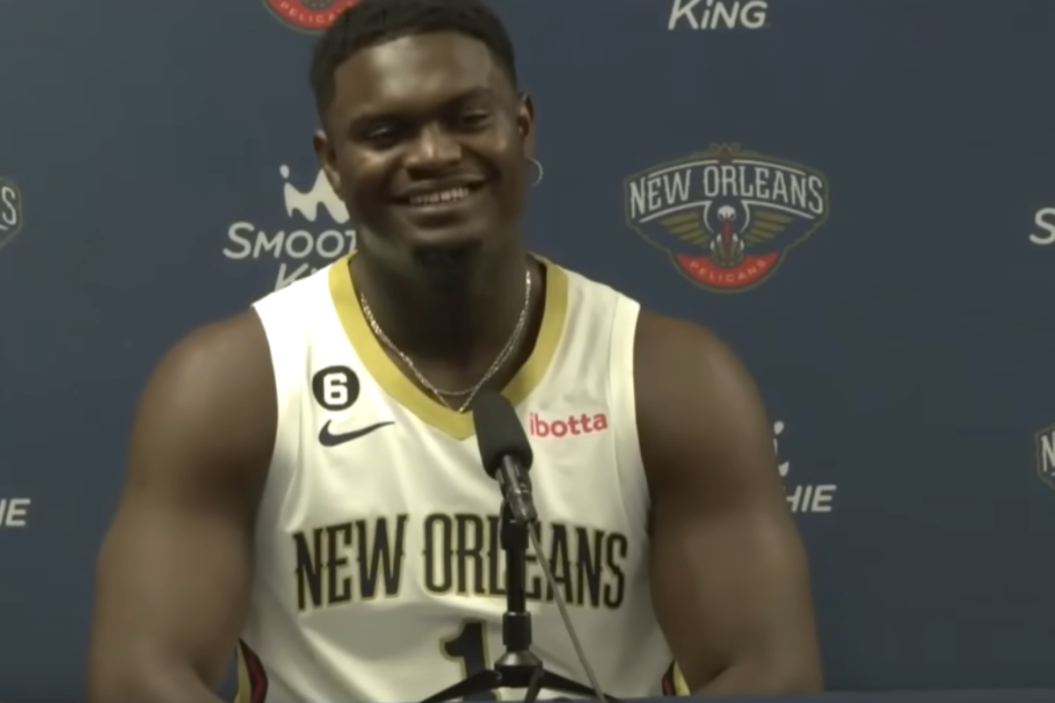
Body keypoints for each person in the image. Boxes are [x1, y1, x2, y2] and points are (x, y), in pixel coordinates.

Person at [85, 0, 822, 701]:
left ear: (522, 126)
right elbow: (137, 676)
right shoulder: (236, 381)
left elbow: (770, 670)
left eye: (467, 119)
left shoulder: (664, 374)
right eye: (385, 133)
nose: (434, 154)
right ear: (331, 162)